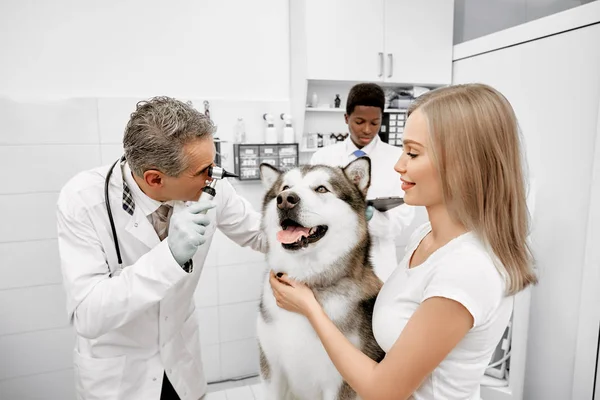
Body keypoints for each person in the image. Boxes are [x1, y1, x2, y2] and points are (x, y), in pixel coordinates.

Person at [270, 83, 538, 400]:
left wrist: (310, 309)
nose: (399, 165)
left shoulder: (467, 269)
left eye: (412, 153)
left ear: (462, 165)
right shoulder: (426, 237)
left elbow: (382, 390)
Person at [56, 97, 267, 400]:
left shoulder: (213, 188)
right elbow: (88, 315)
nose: (216, 175)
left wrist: (323, 226)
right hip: (119, 376)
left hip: (180, 362)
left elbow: (260, 236)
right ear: (155, 179)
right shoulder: (83, 201)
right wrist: (169, 257)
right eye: (205, 170)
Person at [310, 82, 414, 281]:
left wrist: (368, 216)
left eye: (374, 123)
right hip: (330, 261)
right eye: (359, 122)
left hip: (377, 262)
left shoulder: (397, 160)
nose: (367, 129)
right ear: (346, 118)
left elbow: (401, 220)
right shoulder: (323, 158)